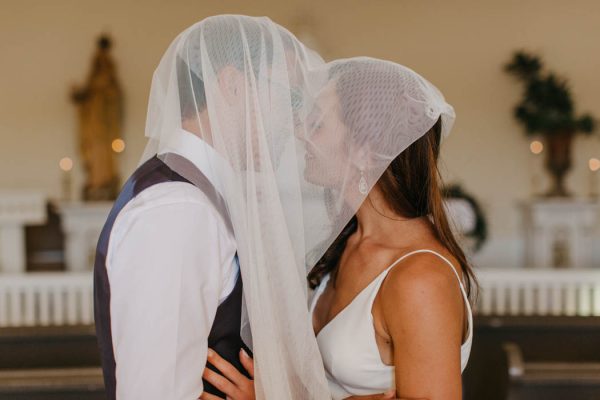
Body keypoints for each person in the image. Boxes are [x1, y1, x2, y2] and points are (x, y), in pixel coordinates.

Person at [204, 58, 475, 400]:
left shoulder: (420, 279)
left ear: (364, 152)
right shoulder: (349, 243)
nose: (300, 132)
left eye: (317, 123)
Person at [94, 15, 330, 400]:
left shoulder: (200, 198)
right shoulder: (178, 209)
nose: (295, 122)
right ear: (233, 86)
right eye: (290, 98)